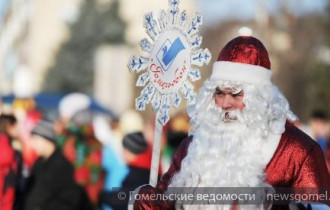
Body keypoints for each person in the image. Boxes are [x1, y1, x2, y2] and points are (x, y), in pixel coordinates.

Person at [133, 36, 330, 209]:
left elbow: (318, 206)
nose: (226, 103)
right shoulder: (192, 148)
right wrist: (145, 200)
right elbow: (166, 203)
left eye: (236, 93)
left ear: (259, 97)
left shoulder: (298, 151)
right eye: (219, 93)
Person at [24, 120, 83, 210]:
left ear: (47, 139)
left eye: (36, 139)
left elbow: (69, 201)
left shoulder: (62, 166)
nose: (33, 144)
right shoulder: (39, 163)